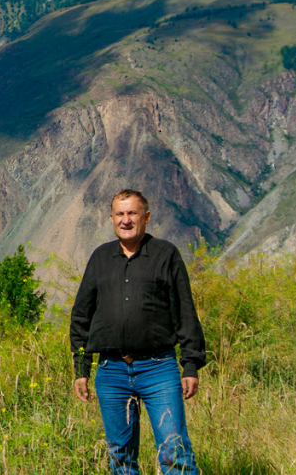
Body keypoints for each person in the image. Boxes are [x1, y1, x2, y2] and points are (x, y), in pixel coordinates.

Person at [69, 189, 206, 474]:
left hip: (159, 369)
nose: (126, 220)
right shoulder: (100, 258)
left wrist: (190, 364)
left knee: (174, 450)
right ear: (111, 218)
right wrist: (81, 367)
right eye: (120, 214)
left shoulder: (165, 254)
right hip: (111, 371)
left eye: (132, 213)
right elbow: (82, 314)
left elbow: (185, 311)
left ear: (146, 217)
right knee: (120, 455)